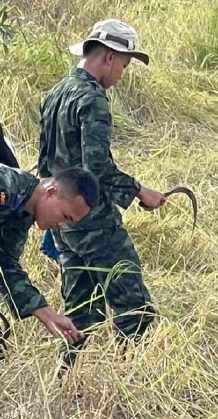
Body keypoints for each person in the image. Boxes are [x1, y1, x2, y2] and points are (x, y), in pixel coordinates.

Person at [38, 19, 166, 366]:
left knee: (80, 310)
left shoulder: (56, 93)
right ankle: (134, 381)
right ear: (109, 57)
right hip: (93, 222)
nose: (122, 75)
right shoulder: (92, 99)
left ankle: (68, 376)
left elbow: (44, 162)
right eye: (124, 65)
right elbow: (97, 168)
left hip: (63, 222)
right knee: (134, 308)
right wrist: (139, 191)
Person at [0, 166, 98, 359]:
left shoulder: (22, 215)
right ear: (51, 192)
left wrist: (48, 315)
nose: (62, 225)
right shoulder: (5, 185)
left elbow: (5, 264)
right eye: (65, 216)